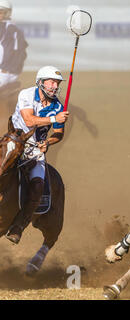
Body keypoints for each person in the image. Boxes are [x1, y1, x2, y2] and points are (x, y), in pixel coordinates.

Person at [5, 66, 69, 244]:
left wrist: (47, 142)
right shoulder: (27, 94)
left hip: (35, 150)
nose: (55, 86)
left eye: (57, 83)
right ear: (40, 82)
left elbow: (58, 134)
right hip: (15, 142)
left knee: (38, 185)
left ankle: (19, 225)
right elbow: (29, 120)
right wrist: (55, 119)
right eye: (52, 82)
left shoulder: (58, 106)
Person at [0, 0, 27, 90]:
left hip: (6, 72)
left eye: (1, 12)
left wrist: (7, 69)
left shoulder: (12, 29)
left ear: (7, 13)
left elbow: (19, 53)